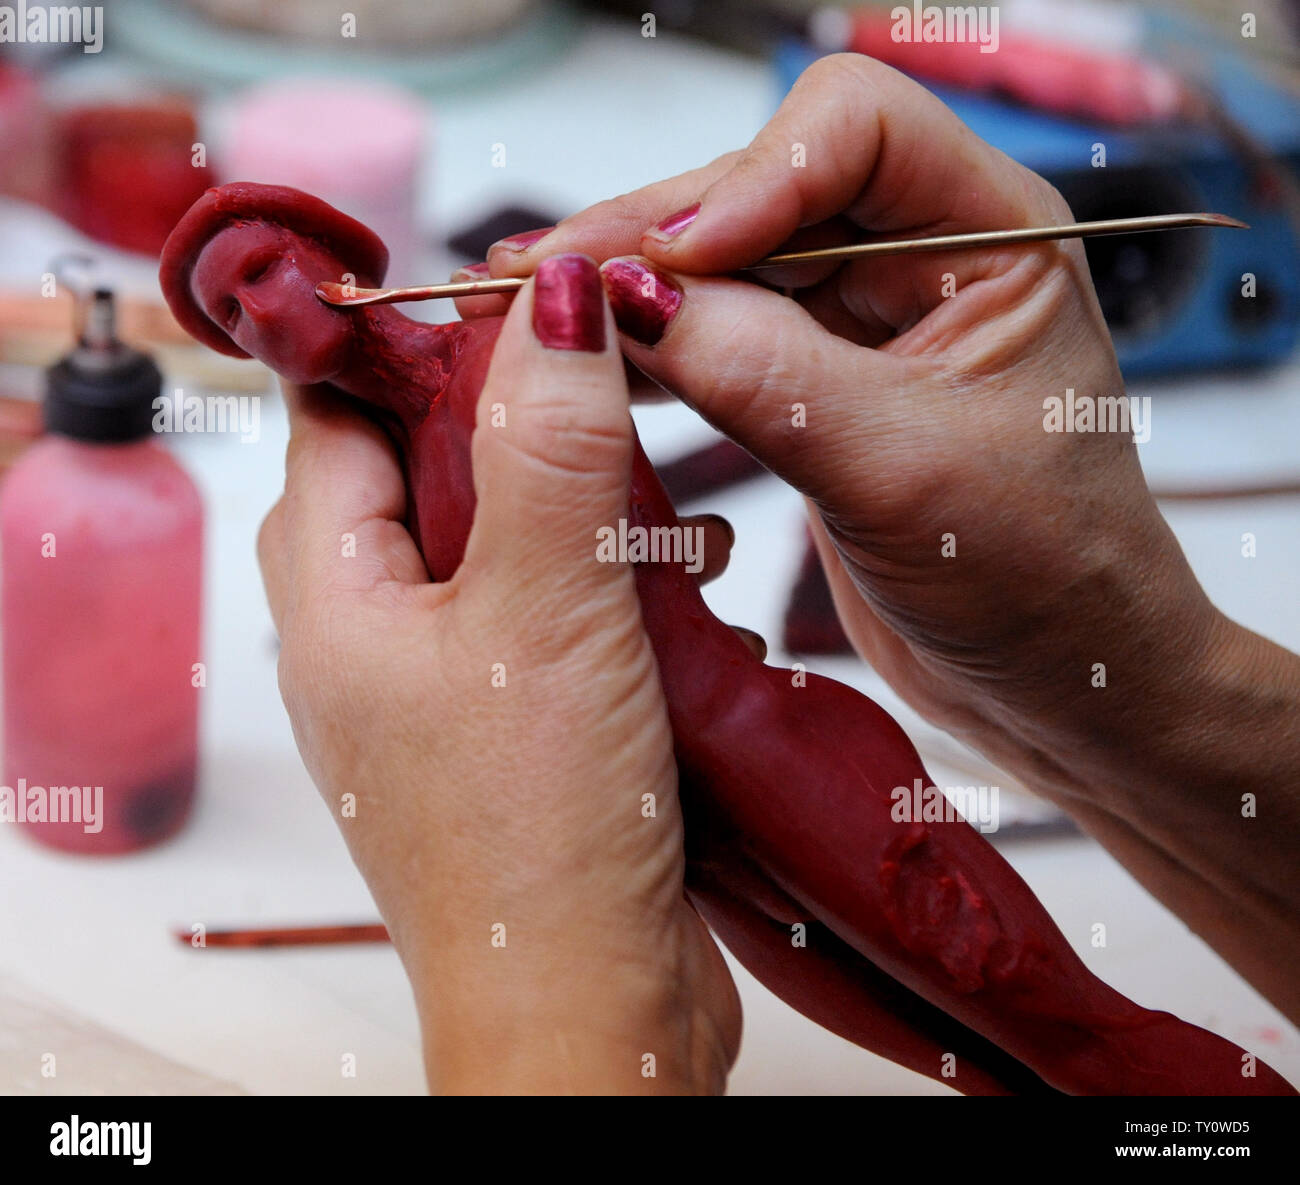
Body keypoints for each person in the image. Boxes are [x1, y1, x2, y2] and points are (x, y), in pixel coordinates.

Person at [254, 55, 1300, 1093]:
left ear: (340, 259)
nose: (252, 319)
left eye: (259, 275)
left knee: (1065, 1029)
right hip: (686, 824)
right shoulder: (393, 467)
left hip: (762, 746)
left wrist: (536, 991)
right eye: (226, 314)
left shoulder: (492, 367)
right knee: (974, 1058)